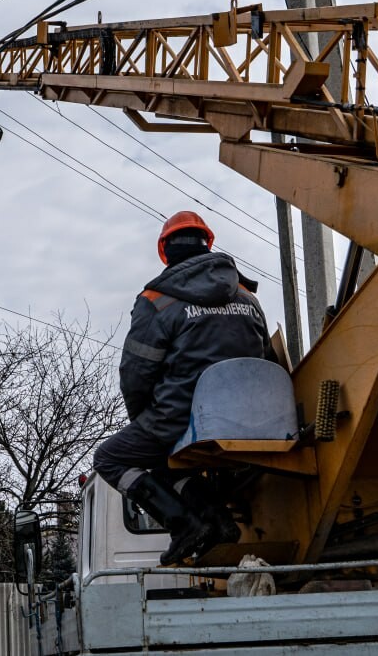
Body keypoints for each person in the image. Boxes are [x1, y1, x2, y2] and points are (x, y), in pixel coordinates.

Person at [93, 211, 273, 565]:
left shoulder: (156, 300)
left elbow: (136, 374)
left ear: (165, 250)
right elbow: (267, 359)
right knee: (168, 465)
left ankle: (183, 524)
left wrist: (145, 421)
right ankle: (219, 523)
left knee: (110, 458)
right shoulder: (248, 298)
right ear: (208, 244)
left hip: (181, 416)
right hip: (254, 416)